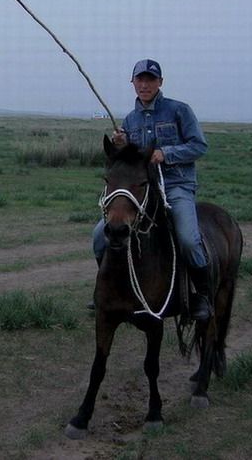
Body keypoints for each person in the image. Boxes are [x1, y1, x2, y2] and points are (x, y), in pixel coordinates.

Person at [93, 58, 211, 320]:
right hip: (142, 192)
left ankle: (201, 296)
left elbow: (199, 146)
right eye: (140, 79)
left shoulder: (179, 110)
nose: (145, 85)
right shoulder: (131, 119)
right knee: (99, 236)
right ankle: (109, 289)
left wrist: (165, 153)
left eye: (150, 80)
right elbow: (132, 160)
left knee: (189, 240)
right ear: (133, 83)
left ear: (160, 82)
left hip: (176, 185)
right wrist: (122, 145)